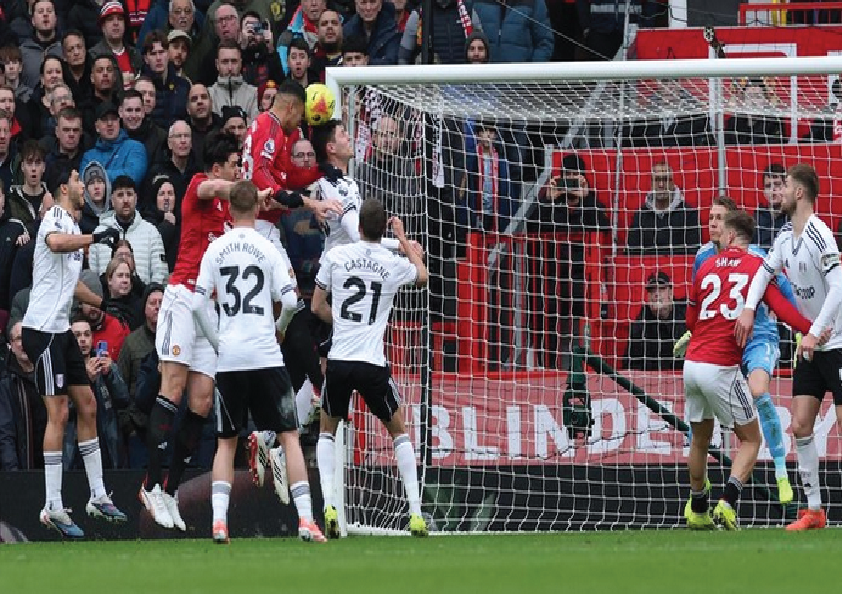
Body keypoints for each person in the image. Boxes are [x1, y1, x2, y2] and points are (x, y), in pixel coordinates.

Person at [191, 180, 325, 543]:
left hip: (231, 357)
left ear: (230, 210)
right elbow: (292, 300)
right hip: (265, 353)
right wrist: (279, 331)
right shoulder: (267, 247)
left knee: (225, 442)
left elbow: (197, 302)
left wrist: (218, 342)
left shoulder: (215, 249)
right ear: (256, 209)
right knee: (290, 437)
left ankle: (219, 523)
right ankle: (304, 521)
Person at [683, 209, 813, 531]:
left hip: (692, 364)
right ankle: (726, 504)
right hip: (721, 367)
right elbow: (782, 309)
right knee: (751, 440)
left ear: (728, 236)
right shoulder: (757, 266)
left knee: (699, 439)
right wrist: (811, 329)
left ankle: (697, 508)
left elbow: (690, 320)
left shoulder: (706, 264)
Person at [141, 133, 242, 531]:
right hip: (182, 296)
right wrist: (247, 186)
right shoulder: (198, 186)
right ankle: (149, 484)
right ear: (219, 166)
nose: (238, 171)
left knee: (201, 402)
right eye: (235, 163)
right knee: (174, 388)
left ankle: (169, 489)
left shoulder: (230, 209)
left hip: (210, 308)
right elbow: (213, 186)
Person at [312, 198, 428, 538]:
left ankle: (329, 505)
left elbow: (317, 306)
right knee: (400, 432)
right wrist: (403, 239)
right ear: (383, 230)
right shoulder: (392, 262)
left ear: (358, 227)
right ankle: (416, 513)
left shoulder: (335, 257)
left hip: (340, 361)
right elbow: (422, 275)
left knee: (326, 432)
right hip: (372, 363)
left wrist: (343, 324)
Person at [19, 169, 126, 538]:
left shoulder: (72, 226)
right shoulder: (54, 217)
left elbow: (72, 284)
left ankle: (97, 495)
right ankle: (51, 505)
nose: (86, 186)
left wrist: (103, 304)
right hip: (43, 330)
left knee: (89, 404)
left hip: (61, 329)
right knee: (59, 412)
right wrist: (94, 238)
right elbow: (53, 243)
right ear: (65, 187)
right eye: (80, 180)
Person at [736, 163, 842, 531]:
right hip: (813, 347)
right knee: (800, 425)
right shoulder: (784, 237)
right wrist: (749, 309)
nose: (777, 192)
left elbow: (839, 287)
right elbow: (763, 273)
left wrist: (815, 331)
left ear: (800, 193)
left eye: (785, 186)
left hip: (838, 342)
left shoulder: (820, 236)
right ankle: (814, 511)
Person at [624, 271, 686, 371]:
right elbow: (630, 363)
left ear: (670, 293)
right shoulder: (641, 322)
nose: (656, 294)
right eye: (652, 290)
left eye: (661, 289)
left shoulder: (684, 313)